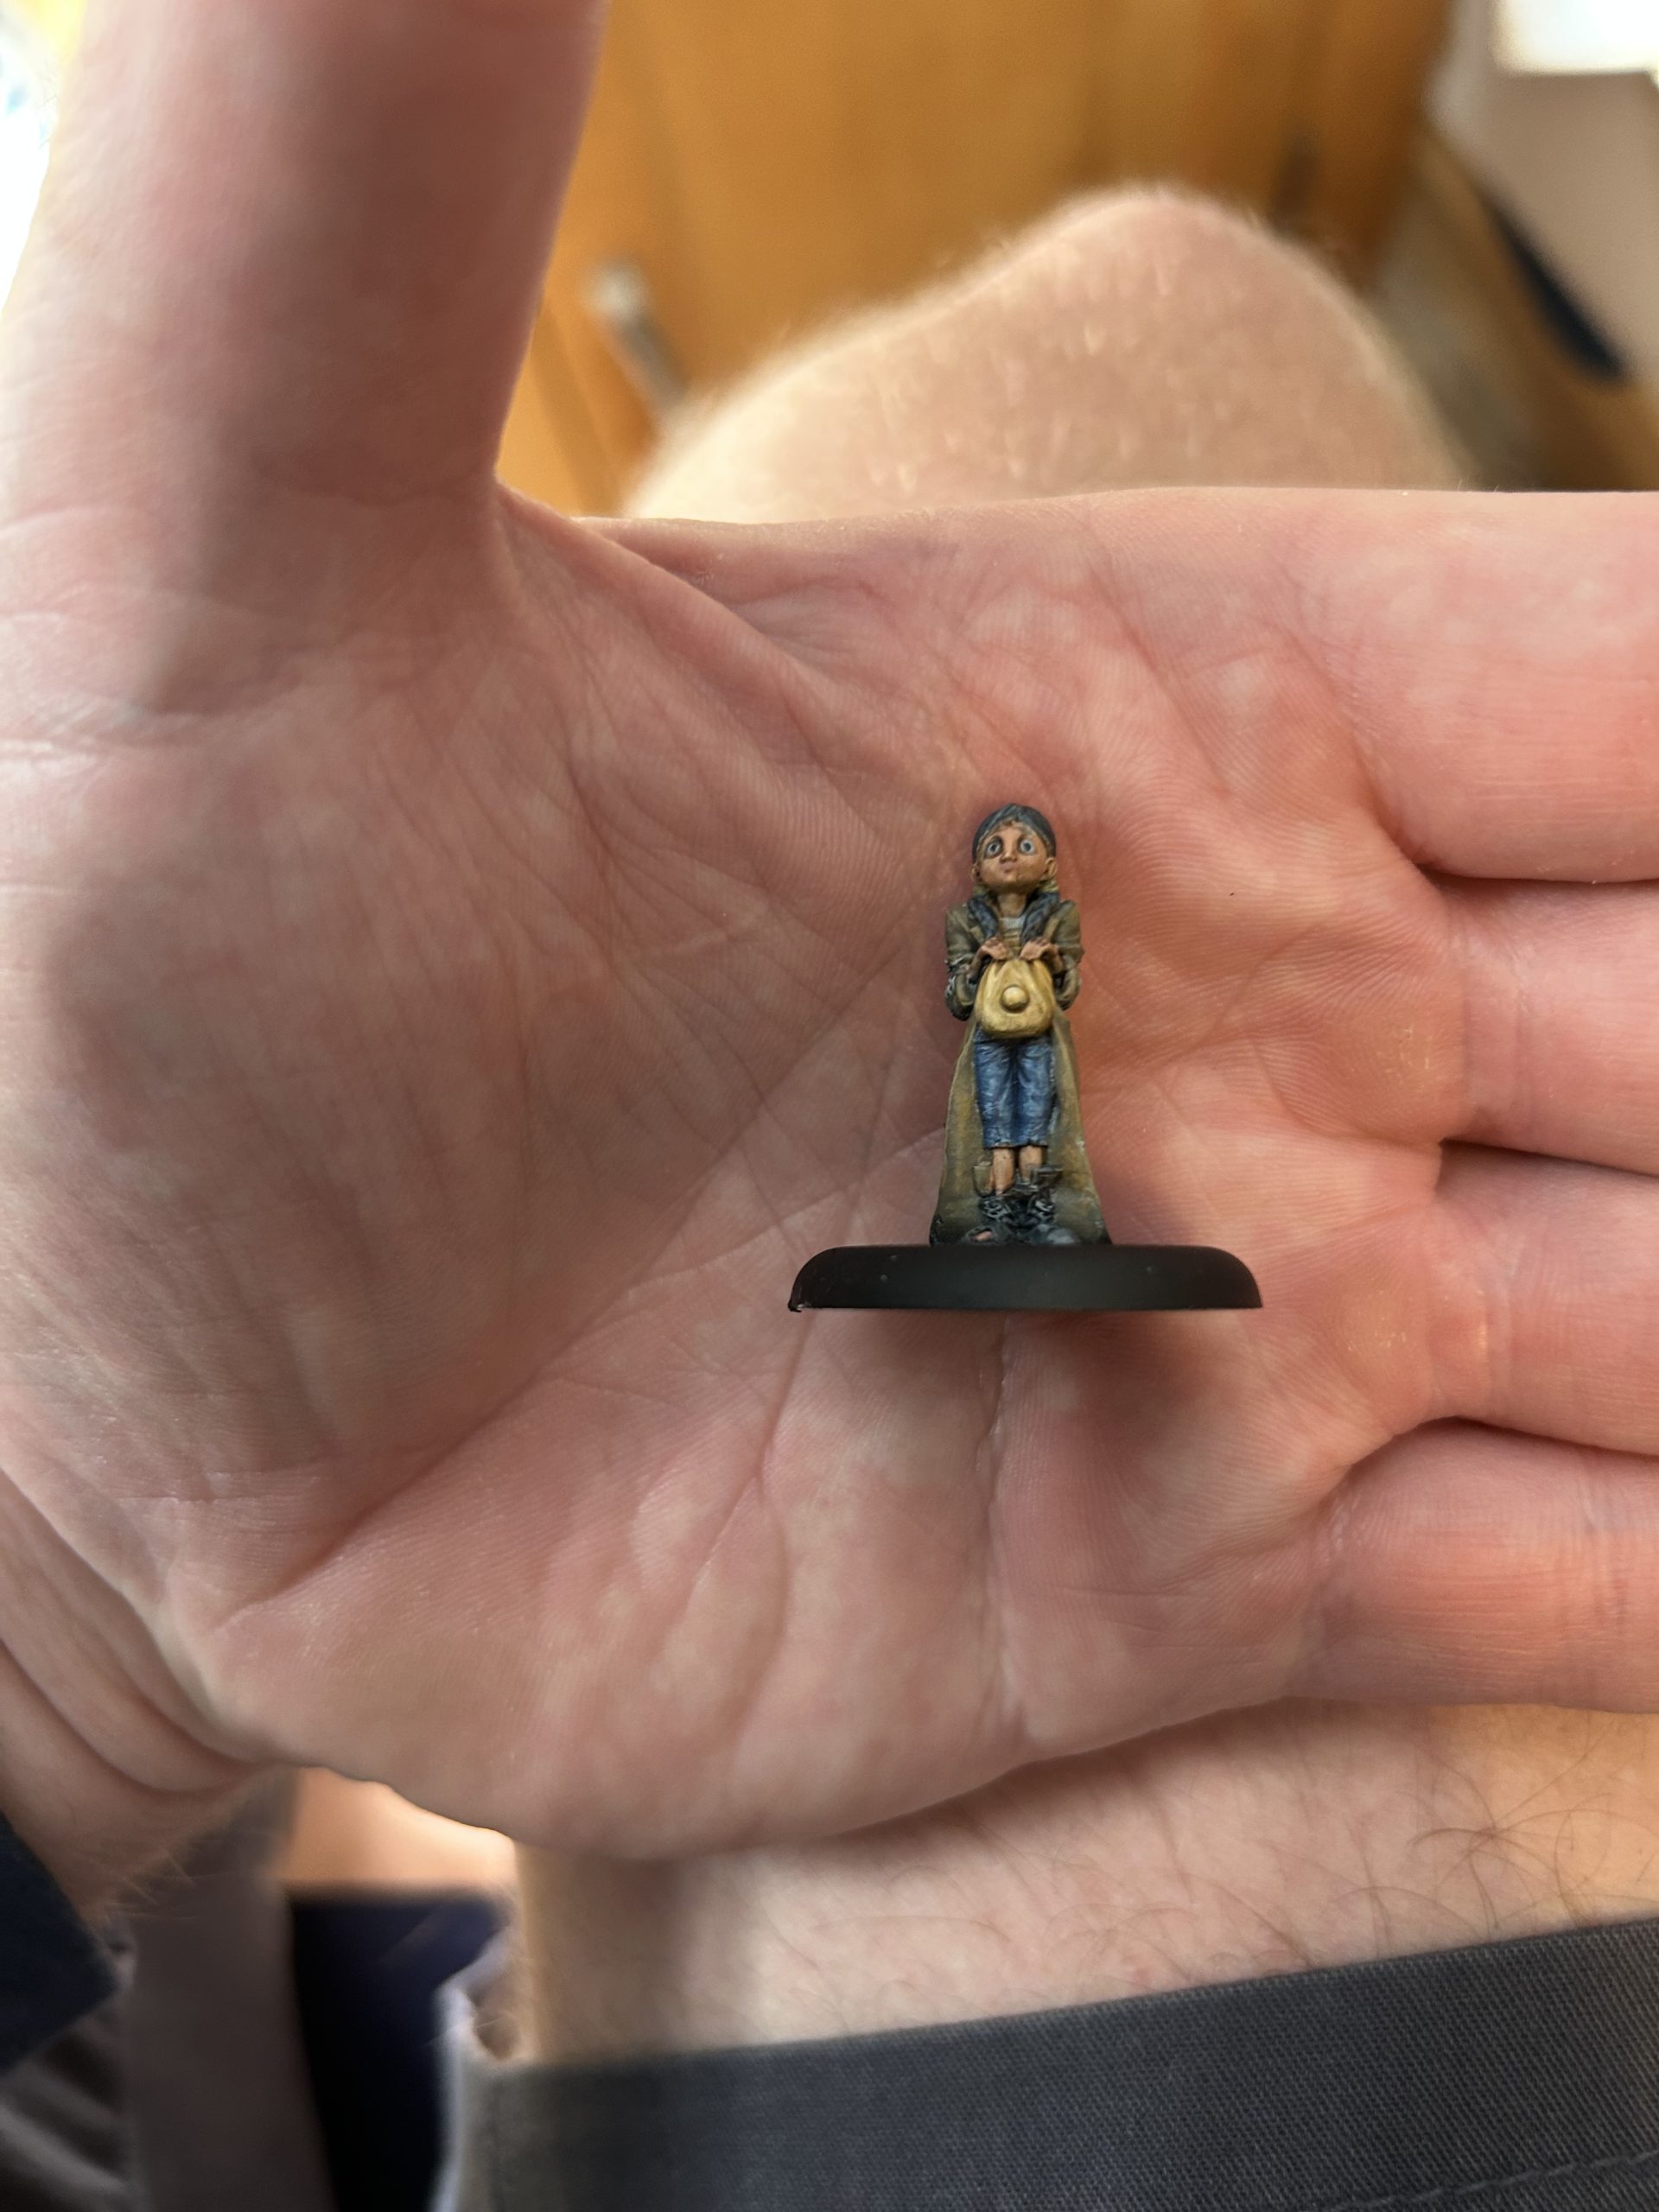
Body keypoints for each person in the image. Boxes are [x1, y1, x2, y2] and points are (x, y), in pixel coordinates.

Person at [5, 3, 1659, 2208]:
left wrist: (51, 1598)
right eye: (1007, 863)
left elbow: (1033, 982)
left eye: (1018, 865)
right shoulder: (989, 941)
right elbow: (993, 987)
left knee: (1092, 344)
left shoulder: (1033, 932)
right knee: (1142, 328)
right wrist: (54, 1560)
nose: (1011, 871)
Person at [936, 801, 1103, 1246]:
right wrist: (978, 962)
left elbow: (1066, 993)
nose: (1009, 855)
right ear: (976, 870)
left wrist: (1053, 958)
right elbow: (957, 1000)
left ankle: (1039, 1215)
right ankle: (997, 1214)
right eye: (996, 848)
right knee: (996, 1125)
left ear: (1048, 865)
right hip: (988, 1038)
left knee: (1035, 1121)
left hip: (1039, 1036)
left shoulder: (1059, 918)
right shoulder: (963, 921)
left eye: (1024, 846)